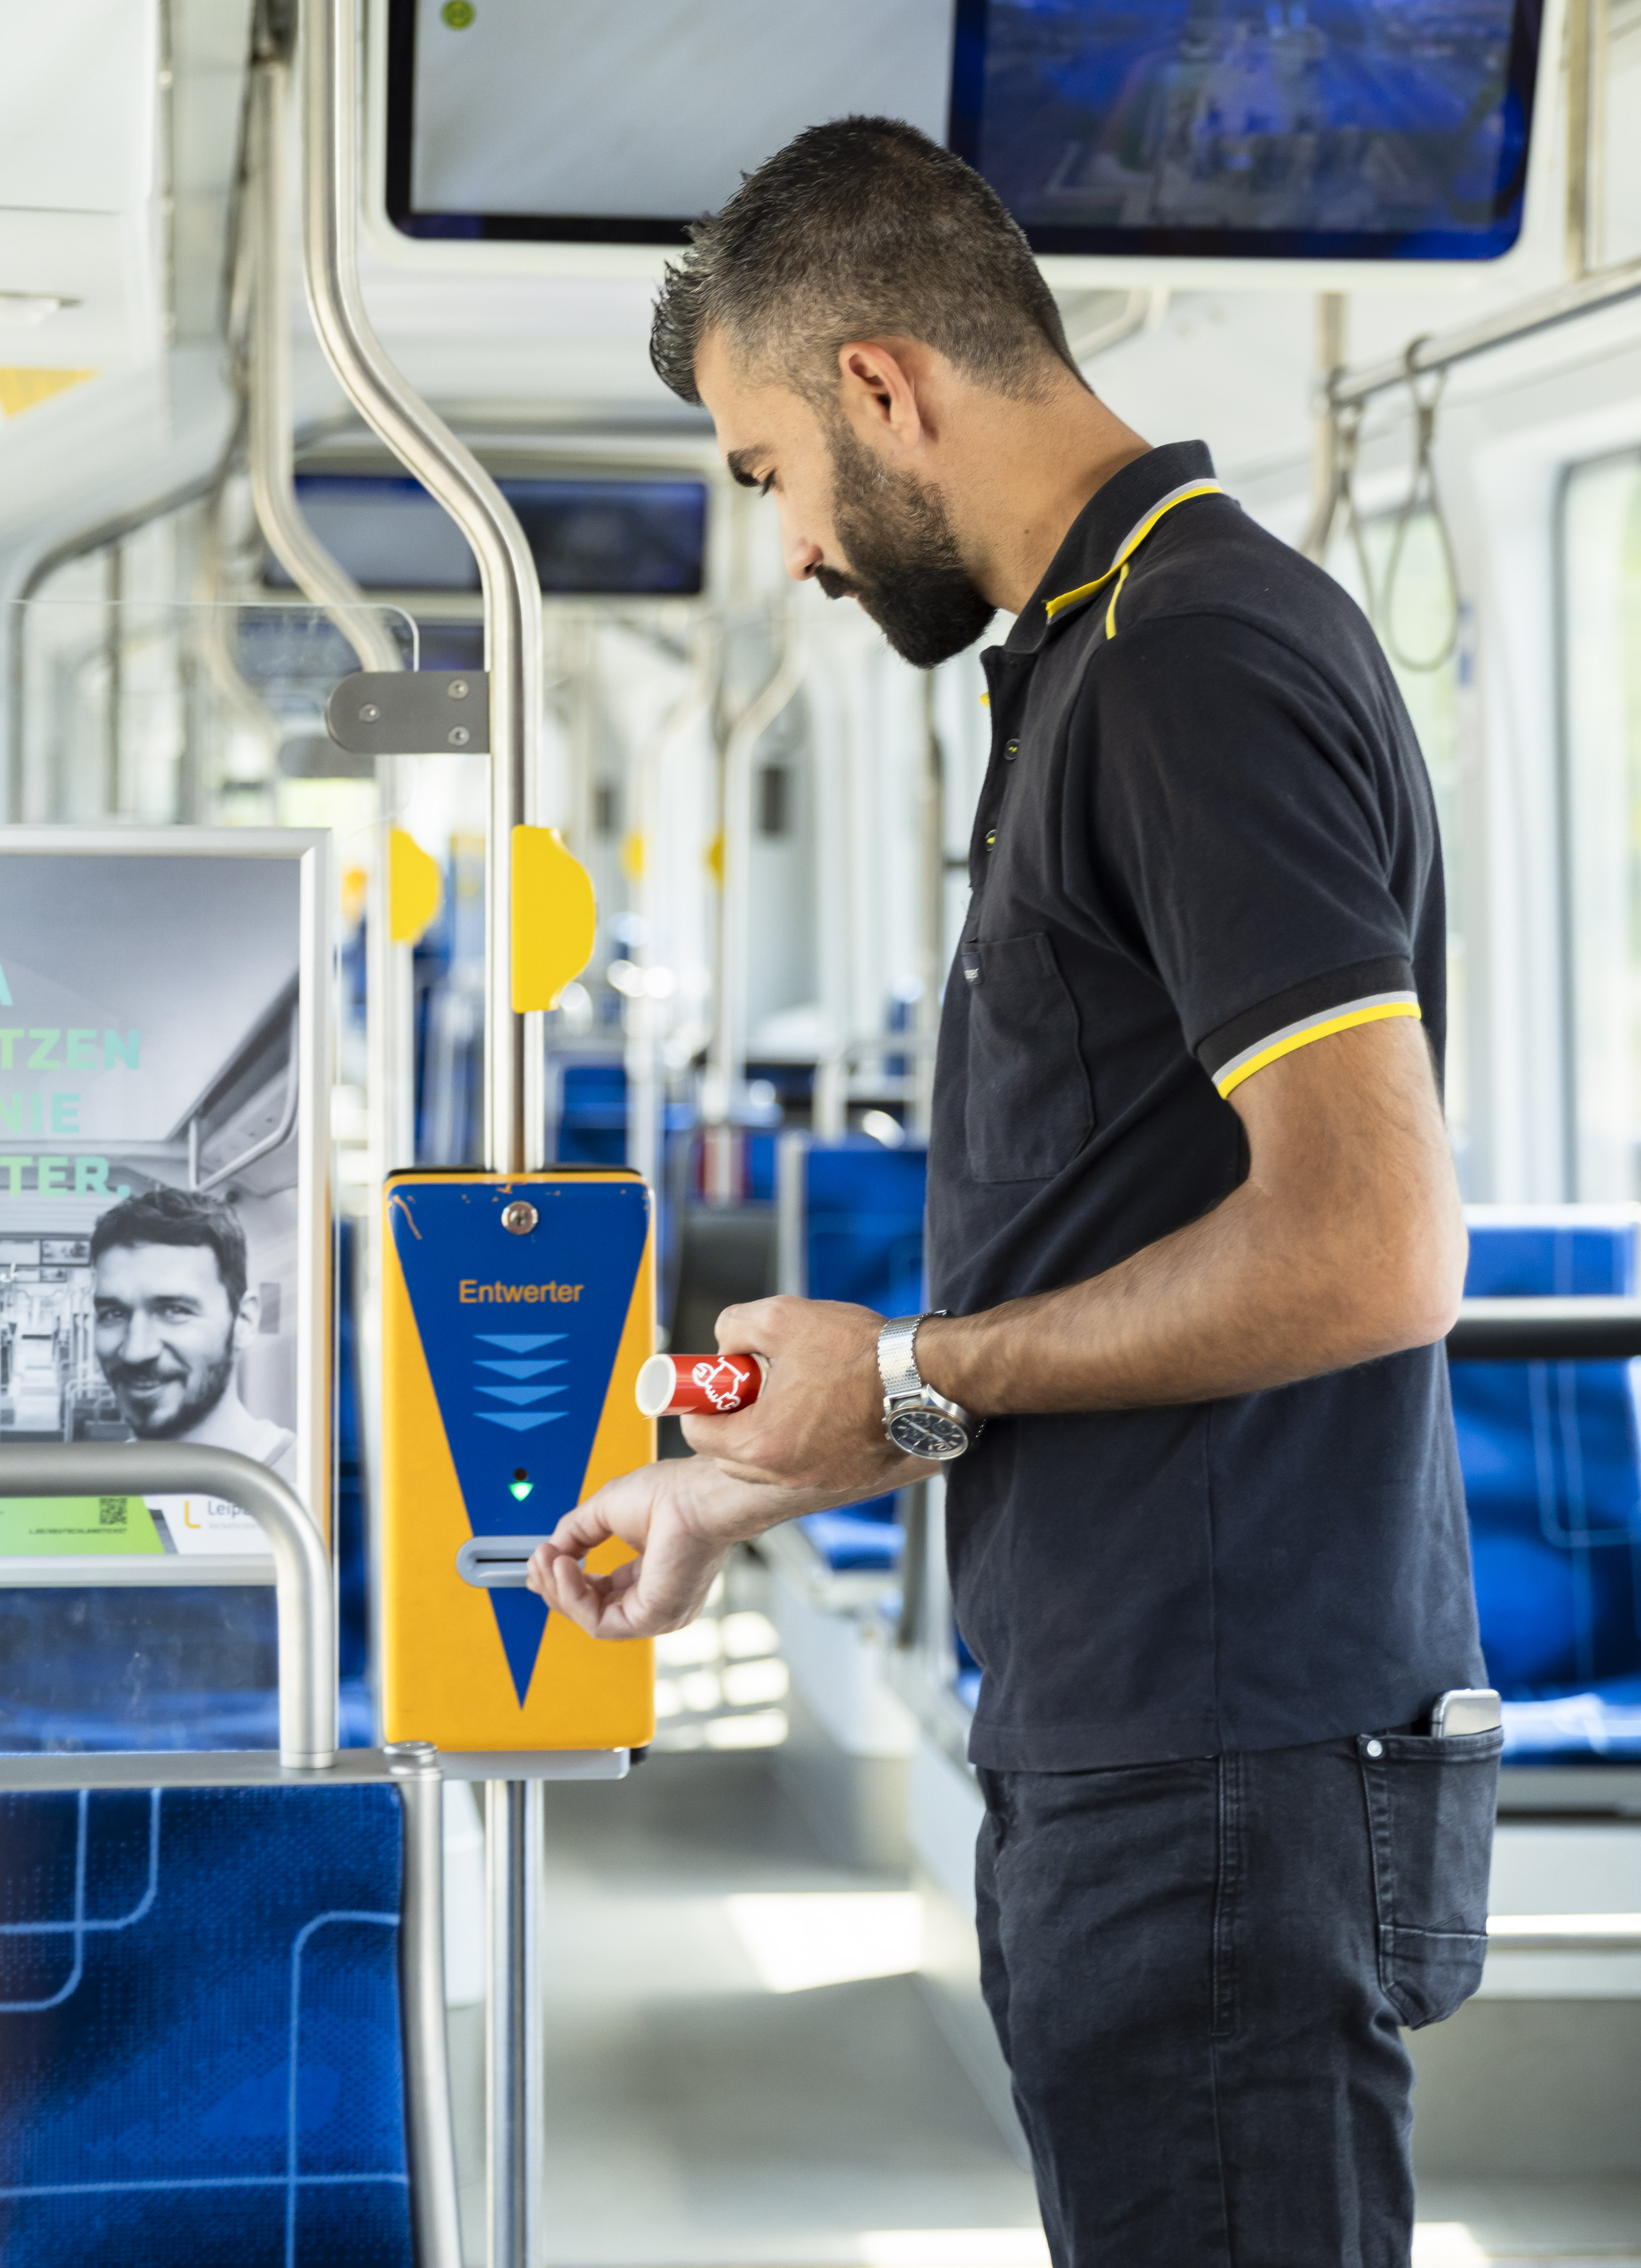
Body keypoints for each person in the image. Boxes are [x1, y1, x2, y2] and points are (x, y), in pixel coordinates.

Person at [527, 117, 1489, 2265]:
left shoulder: (1188, 665)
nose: (784, 545)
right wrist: (737, 1488)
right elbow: (1115, 1253)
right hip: (1159, 1737)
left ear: (879, 385)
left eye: (766, 467)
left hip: (1219, 1763)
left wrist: (904, 1375)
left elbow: (1368, 1241)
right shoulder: (1092, 655)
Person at [90, 1183, 295, 1476]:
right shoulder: (91, 1489)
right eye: (114, 1314)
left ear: (244, 1322)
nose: (136, 1351)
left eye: (174, 1311)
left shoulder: (317, 1489)